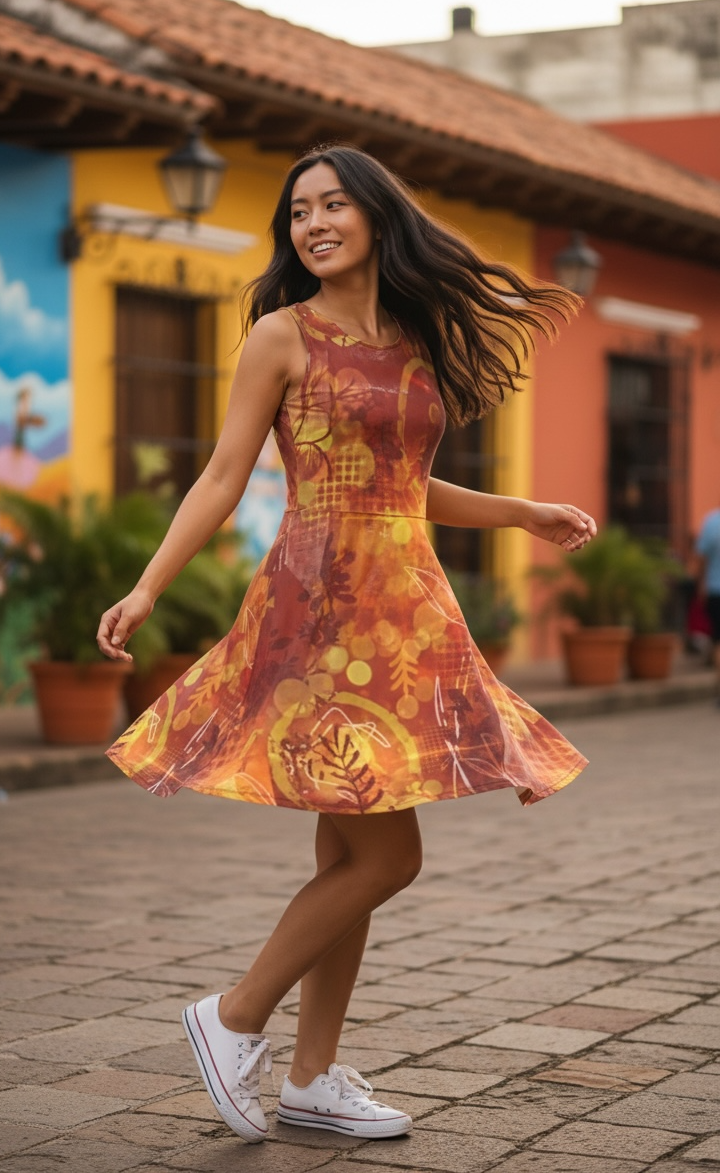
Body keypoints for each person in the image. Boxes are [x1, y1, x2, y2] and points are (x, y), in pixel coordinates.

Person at [97, 145, 596, 1145]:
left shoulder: (413, 338)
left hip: (404, 614)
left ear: (375, 215)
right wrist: (148, 585)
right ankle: (234, 1014)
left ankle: (312, 1078)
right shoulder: (281, 335)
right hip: (322, 612)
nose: (314, 224)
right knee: (388, 856)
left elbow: (402, 483)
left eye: (332, 205)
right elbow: (224, 474)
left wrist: (520, 511)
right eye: (298, 212)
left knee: (349, 851)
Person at [695, 499, 720, 699]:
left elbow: (701, 559)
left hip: (715, 589)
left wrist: (700, 585)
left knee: (718, 641)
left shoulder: (711, 523)